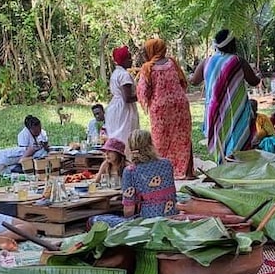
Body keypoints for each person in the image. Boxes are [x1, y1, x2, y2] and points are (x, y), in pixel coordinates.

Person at [190, 29, 262, 162]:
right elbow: (254, 81)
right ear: (231, 45)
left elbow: (194, 81)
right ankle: (237, 166)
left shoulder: (206, 62)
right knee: (238, 137)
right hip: (236, 109)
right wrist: (258, 76)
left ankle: (223, 167)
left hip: (215, 110)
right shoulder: (238, 61)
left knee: (220, 139)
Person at [89, 130, 178, 228]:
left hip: (148, 223)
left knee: (94, 220)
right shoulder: (167, 163)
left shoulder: (130, 170)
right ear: (151, 144)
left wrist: (129, 224)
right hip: (172, 216)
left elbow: (129, 210)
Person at [136, 38, 195, 179]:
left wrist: (149, 99)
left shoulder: (147, 68)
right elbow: (182, 82)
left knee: (160, 139)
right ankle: (187, 172)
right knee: (183, 138)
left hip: (160, 109)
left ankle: (163, 172)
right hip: (180, 106)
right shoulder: (172, 63)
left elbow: (143, 91)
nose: (145, 54)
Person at [106, 46, 140, 143]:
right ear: (123, 60)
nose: (131, 60)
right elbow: (127, 98)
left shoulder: (116, 73)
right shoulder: (124, 75)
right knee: (125, 135)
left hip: (115, 106)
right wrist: (141, 95)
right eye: (129, 58)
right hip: (124, 109)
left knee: (115, 135)